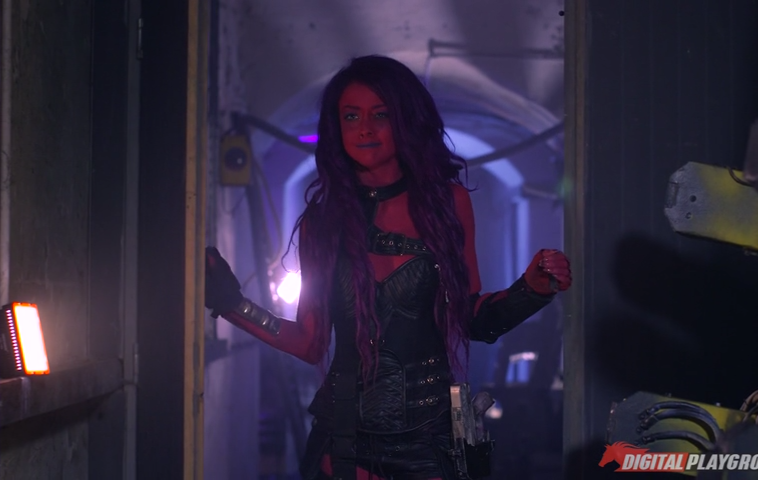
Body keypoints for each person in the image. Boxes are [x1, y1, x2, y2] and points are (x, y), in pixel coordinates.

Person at [204, 55, 571, 480]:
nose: (365, 128)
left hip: (429, 439)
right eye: (351, 116)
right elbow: (309, 342)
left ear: (405, 120)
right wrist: (232, 305)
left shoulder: (448, 203)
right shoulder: (321, 223)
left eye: (380, 114)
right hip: (344, 439)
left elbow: (470, 319)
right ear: (336, 127)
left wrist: (531, 290)